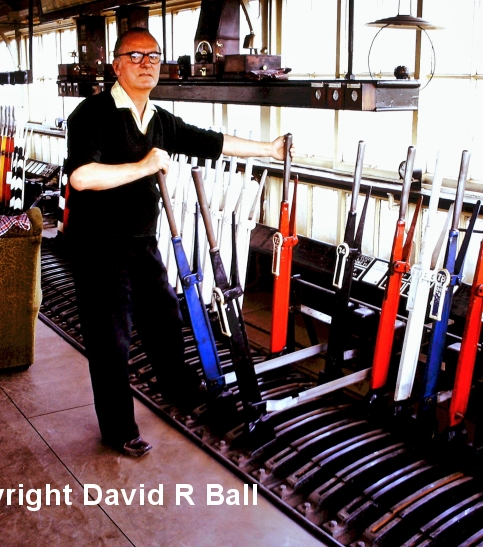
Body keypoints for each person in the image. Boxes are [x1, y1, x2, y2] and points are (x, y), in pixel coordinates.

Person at [64, 28, 293, 458]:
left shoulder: (160, 120)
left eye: (153, 55)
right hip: (98, 245)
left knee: (165, 318)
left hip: (141, 240)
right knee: (111, 340)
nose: (146, 63)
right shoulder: (90, 114)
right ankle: (118, 430)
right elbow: (82, 177)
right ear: (116, 65)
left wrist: (269, 148)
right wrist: (144, 164)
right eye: (135, 56)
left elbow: (213, 142)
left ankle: (181, 391)